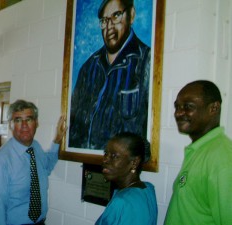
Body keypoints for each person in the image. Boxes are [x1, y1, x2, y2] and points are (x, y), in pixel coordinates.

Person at [69, 0, 151, 150]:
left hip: (123, 170)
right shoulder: (88, 68)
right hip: (87, 164)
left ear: (131, 15)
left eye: (116, 16)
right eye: (104, 20)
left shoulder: (146, 62)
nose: (109, 27)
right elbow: (74, 125)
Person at [0, 99, 67, 225]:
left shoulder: (36, 148)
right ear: (11, 125)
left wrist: (58, 139)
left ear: (36, 123)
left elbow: (46, 167)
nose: (24, 125)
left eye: (29, 119)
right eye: (17, 120)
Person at [164, 80, 232, 225]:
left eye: (188, 106)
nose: (178, 113)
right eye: (177, 106)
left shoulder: (223, 158)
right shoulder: (200, 150)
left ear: (214, 108)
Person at [95, 132, 157, 225]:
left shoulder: (122, 202)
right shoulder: (147, 189)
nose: (105, 160)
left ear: (134, 162)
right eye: (105, 153)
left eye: (114, 156)